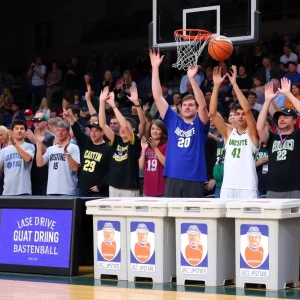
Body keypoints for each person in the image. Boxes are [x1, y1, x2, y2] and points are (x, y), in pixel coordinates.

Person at [149, 49, 209, 198]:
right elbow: (157, 96)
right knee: (172, 219)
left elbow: (203, 106)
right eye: (185, 105)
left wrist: (192, 80)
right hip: (173, 176)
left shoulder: (199, 124)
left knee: (193, 221)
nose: (187, 107)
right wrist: (155, 68)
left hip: (194, 179)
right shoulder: (173, 120)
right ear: (180, 108)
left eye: (191, 104)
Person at [209, 66, 259, 199]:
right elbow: (213, 113)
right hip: (228, 186)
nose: (241, 116)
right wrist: (216, 86)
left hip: (247, 187)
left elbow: (247, 110)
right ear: (234, 117)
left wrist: (235, 84)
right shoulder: (228, 132)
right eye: (237, 114)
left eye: (243, 114)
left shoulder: (252, 133)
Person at [257, 79, 300, 198]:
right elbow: (260, 128)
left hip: (296, 188)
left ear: (294, 120)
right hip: (273, 188)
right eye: (279, 117)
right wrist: (267, 101)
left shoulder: (297, 135)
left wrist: (288, 94)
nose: (281, 119)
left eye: (286, 117)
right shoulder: (273, 137)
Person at [99, 86, 141, 197]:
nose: (123, 128)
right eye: (122, 126)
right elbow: (102, 125)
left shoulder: (134, 141)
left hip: (129, 187)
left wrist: (113, 105)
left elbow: (124, 126)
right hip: (113, 185)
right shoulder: (116, 140)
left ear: (132, 130)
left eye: (126, 126)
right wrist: (102, 102)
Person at [64, 102, 112, 197]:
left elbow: (111, 171)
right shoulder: (86, 142)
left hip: (98, 192)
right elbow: (77, 129)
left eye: (96, 131)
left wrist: (100, 186)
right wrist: (71, 118)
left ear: (102, 132)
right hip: (82, 188)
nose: (93, 133)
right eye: (91, 131)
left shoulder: (108, 148)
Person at [35, 121, 80, 196]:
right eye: (58, 130)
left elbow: (75, 168)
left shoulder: (73, 147)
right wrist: (39, 144)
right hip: (51, 190)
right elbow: (39, 164)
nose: (60, 133)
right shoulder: (50, 149)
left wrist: (66, 152)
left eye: (63, 130)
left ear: (68, 133)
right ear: (55, 132)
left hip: (67, 190)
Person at [0, 120, 35, 195]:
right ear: (12, 132)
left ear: (25, 132)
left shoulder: (30, 146)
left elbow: (27, 159)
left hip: (24, 190)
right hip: (7, 191)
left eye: (22, 129)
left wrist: (14, 144)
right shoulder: (4, 150)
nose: (19, 131)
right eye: (16, 128)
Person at [139, 120, 168, 197]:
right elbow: (141, 166)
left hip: (162, 190)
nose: (155, 131)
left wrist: (155, 148)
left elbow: (166, 163)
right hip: (147, 190)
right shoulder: (146, 146)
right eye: (153, 128)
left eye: (158, 129)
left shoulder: (166, 145)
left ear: (163, 131)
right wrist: (143, 149)